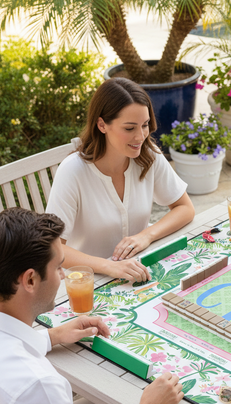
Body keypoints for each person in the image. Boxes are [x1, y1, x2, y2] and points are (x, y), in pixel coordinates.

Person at [0, 207, 206, 404]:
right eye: (59, 267)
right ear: (30, 280)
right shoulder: (37, 385)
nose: (63, 275)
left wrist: (52, 336)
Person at [46, 78, 195, 283]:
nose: (141, 136)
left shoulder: (149, 156)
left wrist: (146, 235)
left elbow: (185, 208)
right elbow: (53, 247)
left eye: (144, 125)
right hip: (88, 283)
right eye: (129, 128)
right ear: (102, 125)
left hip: (139, 271)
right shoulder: (73, 171)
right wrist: (110, 266)